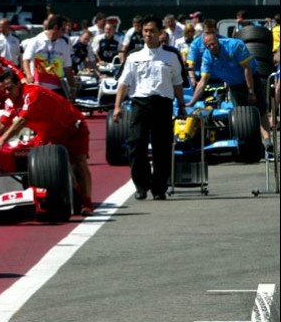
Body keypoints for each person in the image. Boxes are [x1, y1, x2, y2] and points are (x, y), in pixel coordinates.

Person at [0, 70, 94, 216]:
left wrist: (2, 140)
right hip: (49, 133)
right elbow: (1, 123)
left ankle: (87, 203)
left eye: (9, 88)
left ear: (18, 84)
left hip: (73, 128)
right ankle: (72, 196)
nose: (7, 92)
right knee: (58, 166)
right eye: (3, 90)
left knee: (79, 162)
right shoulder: (9, 102)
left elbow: (21, 121)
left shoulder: (32, 93)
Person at [113, 15, 186, 201]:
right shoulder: (134, 57)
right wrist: (117, 106)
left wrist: (182, 106)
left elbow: (178, 83)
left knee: (163, 148)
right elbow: (124, 83)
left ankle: (159, 187)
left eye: (152, 31)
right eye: (145, 31)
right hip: (140, 104)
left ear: (160, 33)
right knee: (137, 145)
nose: (148, 34)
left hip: (163, 104)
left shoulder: (171, 56)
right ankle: (141, 185)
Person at [187, 32, 271, 147]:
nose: (212, 47)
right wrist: (192, 102)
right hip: (234, 85)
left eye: (213, 44)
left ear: (217, 40)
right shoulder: (207, 57)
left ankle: (267, 141)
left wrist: (251, 91)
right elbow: (202, 81)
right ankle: (251, 143)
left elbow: (247, 69)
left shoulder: (234, 45)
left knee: (260, 111)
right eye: (209, 46)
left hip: (250, 79)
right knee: (241, 114)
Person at [22, 14, 76, 98]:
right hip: (38, 86)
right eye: (63, 29)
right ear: (55, 27)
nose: (65, 32)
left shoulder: (65, 43)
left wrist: (73, 87)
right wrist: (29, 75)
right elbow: (26, 60)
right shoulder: (36, 41)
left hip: (57, 88)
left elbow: (68, 68)